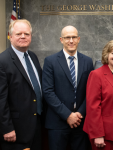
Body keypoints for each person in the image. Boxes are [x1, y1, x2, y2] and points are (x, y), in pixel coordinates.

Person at [42, 25, 93, 150]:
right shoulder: (50, 61)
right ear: (61, 40)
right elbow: (48, 92)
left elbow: (91, 91)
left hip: (81, 123)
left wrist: (79, 114)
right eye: (67, 37)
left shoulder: (87, 61)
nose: (71, 40)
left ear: (79, 39)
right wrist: (68, 115)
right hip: (57, 123)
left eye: (74, 37)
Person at [0, 19, 43, 150]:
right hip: (16, 131)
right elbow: (0, 99)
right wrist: (6, 128)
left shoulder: (33, 57)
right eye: (19, 34)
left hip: (37, 126)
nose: (23, 36)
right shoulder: (3, 61)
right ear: (10, 36)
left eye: (26, 34)